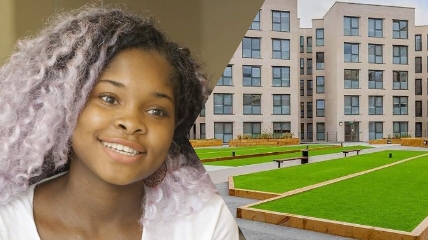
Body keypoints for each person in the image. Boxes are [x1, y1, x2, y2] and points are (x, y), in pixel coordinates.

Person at [0, 5, 239, 240]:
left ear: (175, 128)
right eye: (108, 98)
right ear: (63, 105)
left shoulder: (207, 223)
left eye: (156, 111)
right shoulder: (6, 223)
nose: (131, 122)